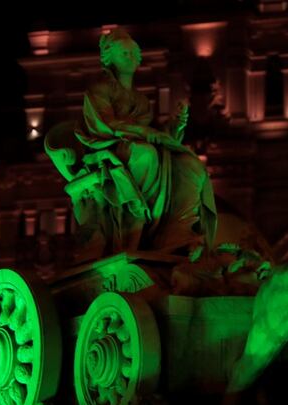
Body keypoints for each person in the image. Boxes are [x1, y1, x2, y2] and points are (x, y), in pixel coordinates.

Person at [65, 28, 217, 254]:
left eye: (132, 53)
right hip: (111, 149)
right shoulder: (98, 90)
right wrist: (145, 133)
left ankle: (177, 231)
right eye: (123, 53)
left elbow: (155, 132)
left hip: (140, 147)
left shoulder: (142, 100)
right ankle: (136, 222)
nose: (130, 57)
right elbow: (108, 125)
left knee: (191, 166)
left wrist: (174, 126)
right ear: (109, 58)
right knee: (145, 154)